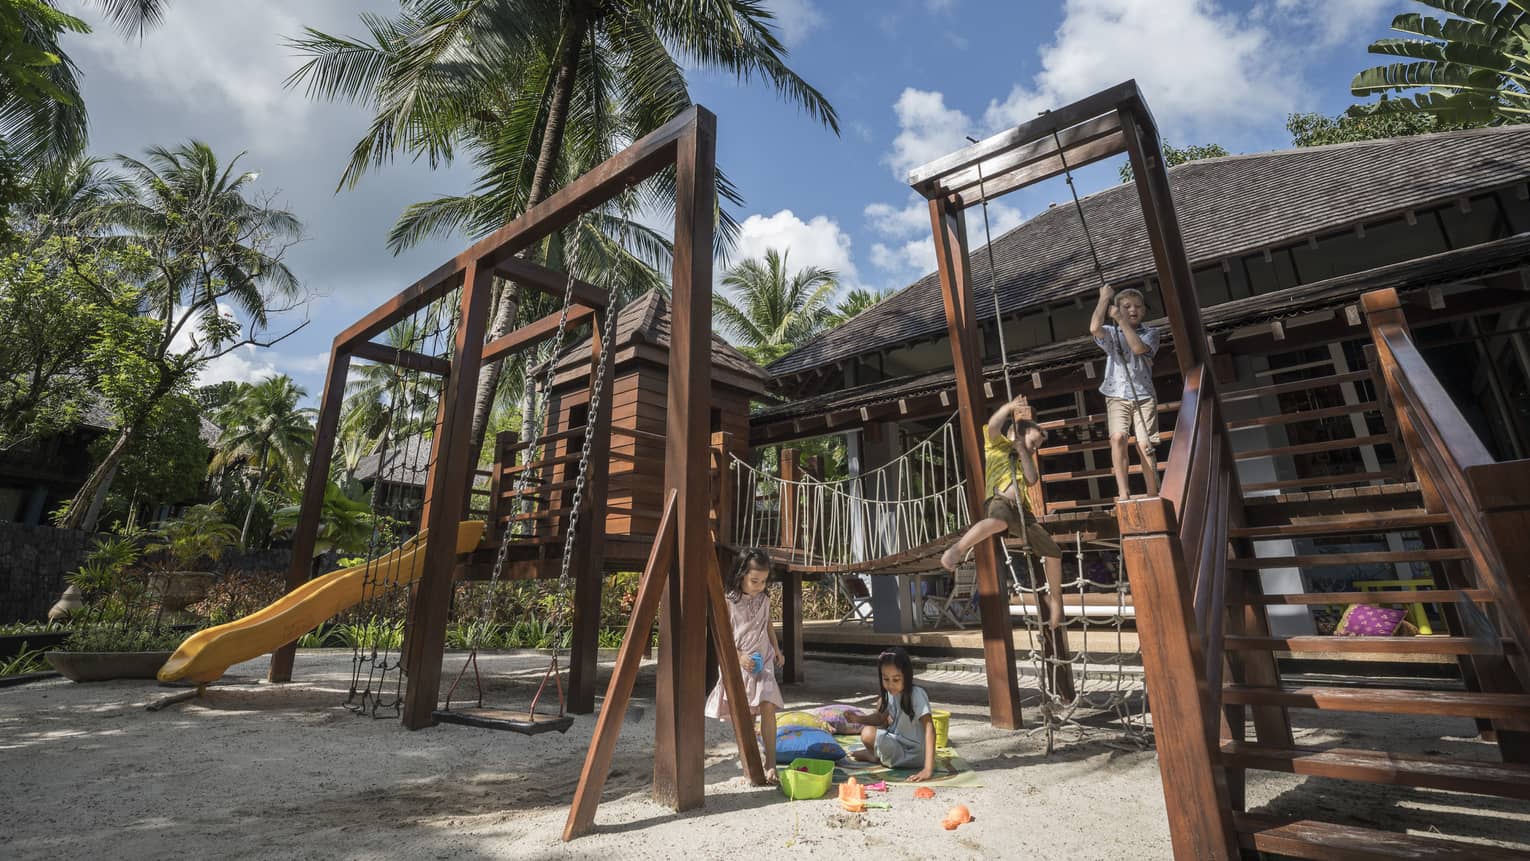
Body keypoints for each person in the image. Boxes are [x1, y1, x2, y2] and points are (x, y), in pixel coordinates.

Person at [940, 393, 1062, 572]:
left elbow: (1032, 479)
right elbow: (993, 426)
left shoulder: (1024, 459)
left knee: (1052, 551)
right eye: (1033, 443)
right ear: (1015, 435)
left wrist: (1023, 450)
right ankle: (956, 549)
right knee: (999, 520)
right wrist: (1008, 407)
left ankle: (1055, 599)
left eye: (1038, 447)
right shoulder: (997, 445)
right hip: (1000, 501)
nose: (1035, 449)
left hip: (1021, 512)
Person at [703, 548, 785, 783]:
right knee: (747, 715)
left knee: (768, 705)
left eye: (764, 581)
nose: (759, 585)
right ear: (740, 575)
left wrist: (777, 650)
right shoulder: (729, 601)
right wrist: (739, 657)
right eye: (754, 580)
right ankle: (752, 762)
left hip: (763, 660)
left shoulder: (765, 599)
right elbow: (723, 635)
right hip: (738, 661)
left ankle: (771, 762)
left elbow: (768, 624)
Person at [1090, 283, 1161, 501]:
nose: (1132, 310)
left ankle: (1152, 492)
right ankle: (1123, 492)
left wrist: (1120, 320)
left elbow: (1138, 348)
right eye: (1127, 306)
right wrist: (1104, 298)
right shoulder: (1111, 333)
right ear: (1117, 308)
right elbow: (1094, 328)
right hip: (1116, 394)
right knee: (1118, 437)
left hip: (1143, 395)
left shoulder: (1151, 333)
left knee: (1144, 443)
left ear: (1144, 311)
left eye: (1138, 307)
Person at [844, 647, 936, 781]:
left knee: (872, 734)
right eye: (886, 679)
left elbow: (930, 728)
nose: (891, 684)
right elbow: (880, 718)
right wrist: (858, 719)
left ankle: (875, 757)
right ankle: (878, 757)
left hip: (916, 755)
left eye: (896, 679)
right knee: (867, 733)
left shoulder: (917, 694)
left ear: (907, 676)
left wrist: (928, 769)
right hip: (897, 746)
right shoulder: (889, 694)